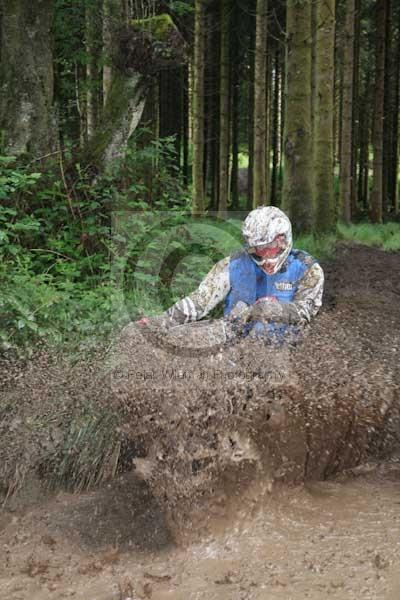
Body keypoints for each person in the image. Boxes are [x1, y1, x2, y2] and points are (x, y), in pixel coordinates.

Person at [138, 206, 324, 343]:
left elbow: (308, 310)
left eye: (270, 247)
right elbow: (200, 301)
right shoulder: (233, 265)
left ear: (283, 240)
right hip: (234, 350)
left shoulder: (307, 269)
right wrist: (161, 321)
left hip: (288, 349)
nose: (265, 254)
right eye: (258, 249)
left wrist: (277, 309)